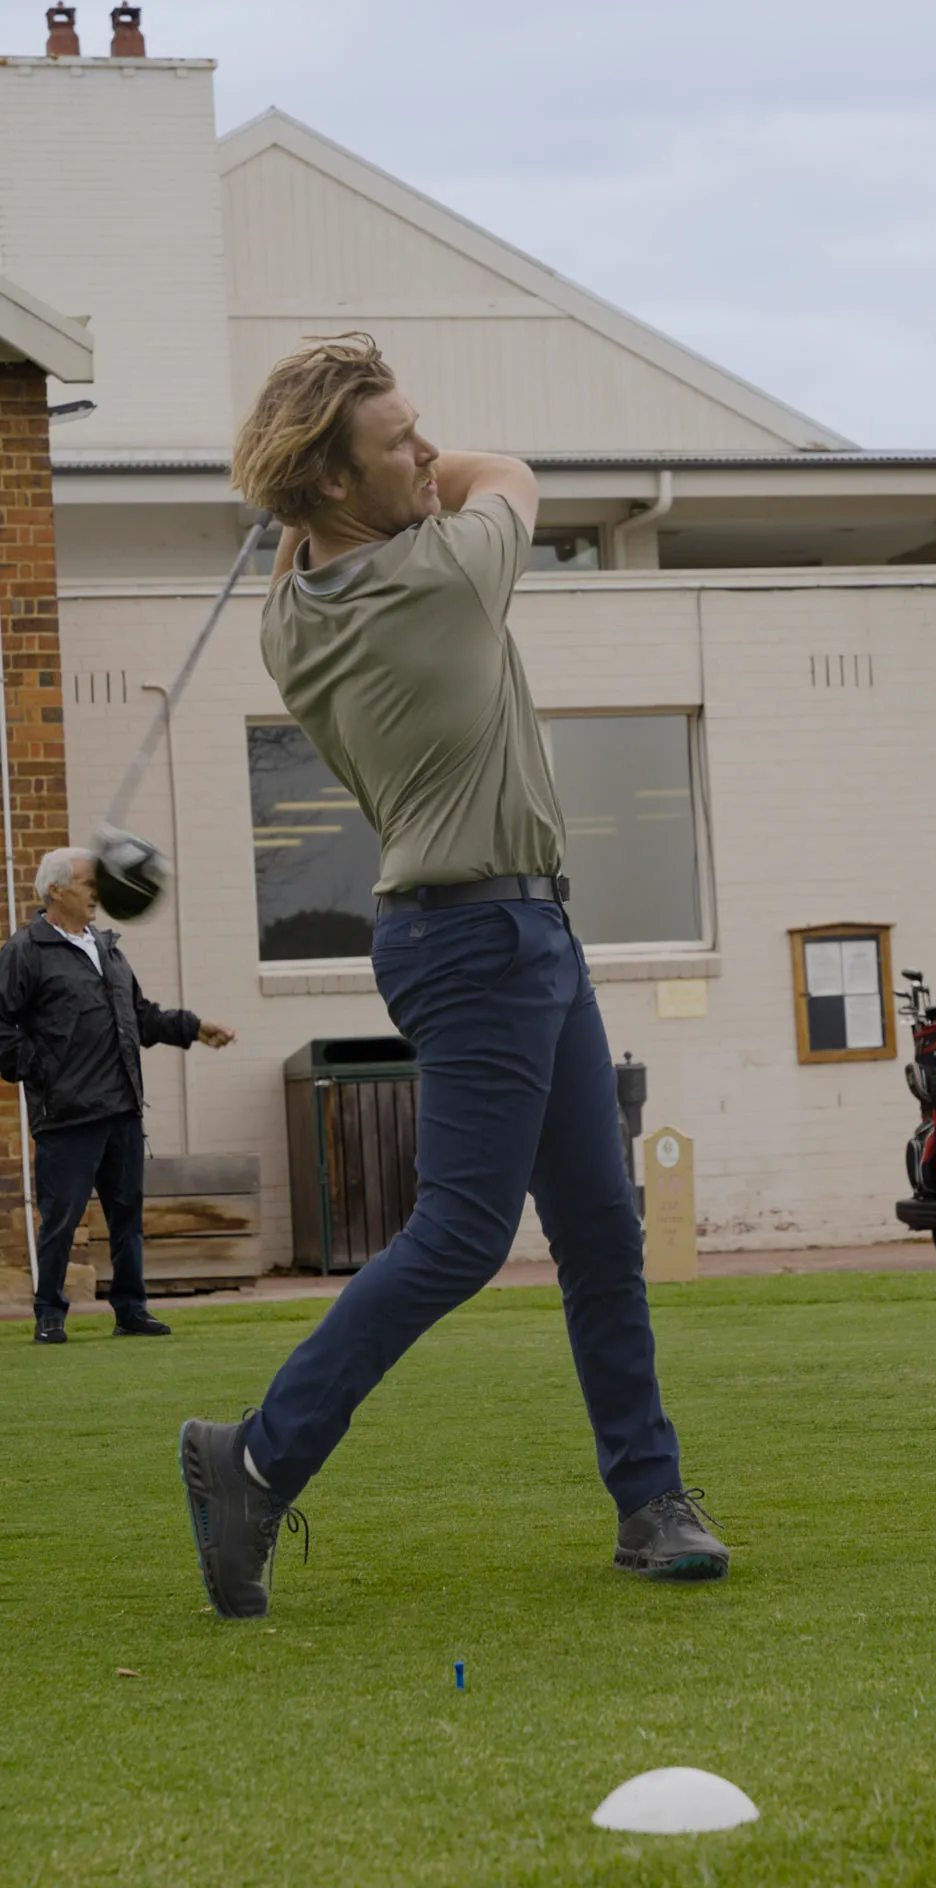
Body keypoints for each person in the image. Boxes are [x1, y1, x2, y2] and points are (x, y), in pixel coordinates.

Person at [179, 335, 727, 1619]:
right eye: (396, 442)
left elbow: (372, 505)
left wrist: (370, 457)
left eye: (421, 431)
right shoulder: (439, 579)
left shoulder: (291, 616)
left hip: (504, 932)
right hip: (480, 939)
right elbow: (512, 470)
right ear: (323, 487)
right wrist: (431, 468)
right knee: (464, 1234)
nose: (427, 452)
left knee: (598, 1228)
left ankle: (651, 1501)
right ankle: (255, 1457)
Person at [0, 847, 236, 1342]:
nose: (98, 894)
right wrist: (39, 1069)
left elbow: (142, 1016)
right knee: (61, 1221)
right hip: (66, 1115)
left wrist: (194, 1028)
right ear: (57, 890)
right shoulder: (26, 951)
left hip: (123, 1109)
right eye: (89, 883)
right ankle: (49, 1313)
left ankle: (131, 1309)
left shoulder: (108, 949)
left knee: (126, 1216)